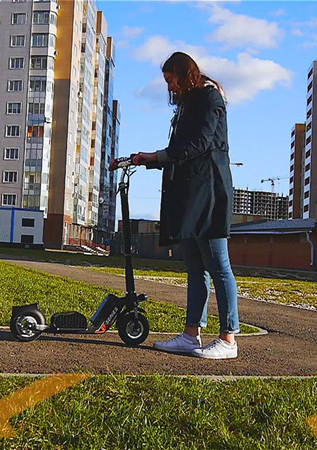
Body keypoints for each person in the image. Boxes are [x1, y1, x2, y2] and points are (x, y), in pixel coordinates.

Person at [121, 52, 239, 359]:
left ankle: (228, 339)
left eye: (171, 80)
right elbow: (182, 150)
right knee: (195, 268)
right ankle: (191, 335)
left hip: (210, 192)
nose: (170, 87)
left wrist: (159, 156)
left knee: (218, 266)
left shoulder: (210, 99)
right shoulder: (189, 104)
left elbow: (202, 143)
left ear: (185, 75)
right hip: (191, 194)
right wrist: (148, 159)